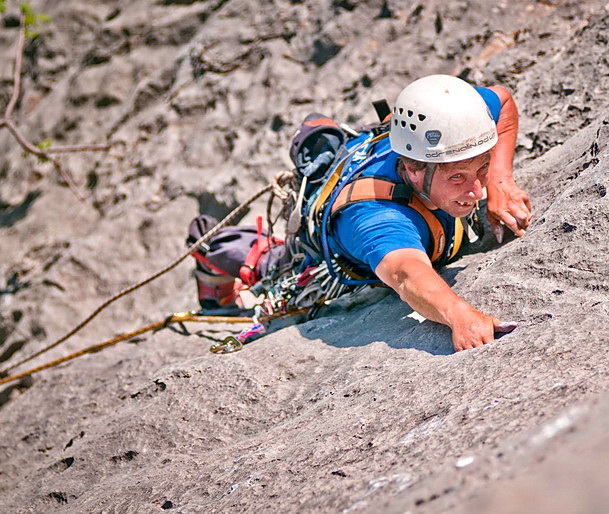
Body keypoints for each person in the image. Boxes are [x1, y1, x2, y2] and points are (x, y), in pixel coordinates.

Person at [189, 74, 532, 351]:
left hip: (367, 162)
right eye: (457, 176)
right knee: (272, 262)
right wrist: (459, 315)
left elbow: (501, 99)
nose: (476, 190)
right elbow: (404, 273)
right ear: (413, 169)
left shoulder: (451, 136)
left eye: (480, 169)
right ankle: (213, 257)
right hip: (327, 250)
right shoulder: (374, 216)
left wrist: (500, 180)